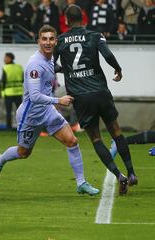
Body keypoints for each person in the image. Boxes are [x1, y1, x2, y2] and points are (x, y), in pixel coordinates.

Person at [0, 25, 99, 197]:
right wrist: (59, 100)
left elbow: (51, 68)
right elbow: (34, 96)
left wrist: (64, 69)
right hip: (31, 115)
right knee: (23, 152)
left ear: (56, 41)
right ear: (38, 41)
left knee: (72, 141)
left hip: (48, 112)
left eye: (51, 39)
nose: (48, 42)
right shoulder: (35, 64)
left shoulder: (49, 58)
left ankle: (81, 183)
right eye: (44, 39)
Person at [54, 4, 138, 196]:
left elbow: (51, 64)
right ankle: (132, 173)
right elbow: (107, 55)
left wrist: (64, 69)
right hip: (100, 91)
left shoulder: (61, 40)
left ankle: (119, 176)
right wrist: (118, 69)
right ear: (83, 18)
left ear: (66, 20)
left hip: (81, 97)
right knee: (116, 132)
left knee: (96, 138)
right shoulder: (94, 35)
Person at [1, 52, 23, 130]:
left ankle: (8, 127)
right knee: (20, 111)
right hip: (19, 92)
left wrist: (2, 93)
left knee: (9, 111)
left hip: (8, 93)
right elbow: (23, 80)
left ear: (10, 58)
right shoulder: (19, 67)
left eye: (5, 57)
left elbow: (3, 81)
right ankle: (22, 126)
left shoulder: (5, 68)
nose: (4, 59)